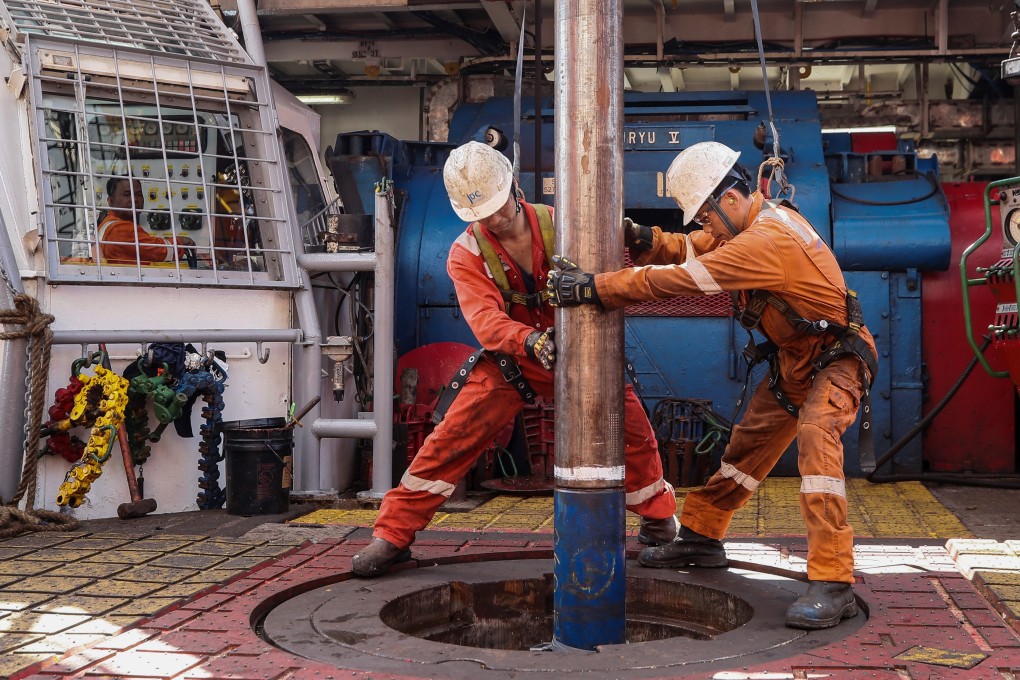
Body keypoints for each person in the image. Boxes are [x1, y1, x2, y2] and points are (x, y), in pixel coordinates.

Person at [546, 141, 878, 631]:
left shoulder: (767, 241)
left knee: (816, 441)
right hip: (796, 361)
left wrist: (596, 288)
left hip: (837, 362)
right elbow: (689, 247)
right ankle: (701, 536)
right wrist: (643, 237)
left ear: (728, 200)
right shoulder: (747, 225)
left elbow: (680, 277)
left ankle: (833, 581)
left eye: (704, 216)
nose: (703, 226)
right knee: (746, 450)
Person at [351, 141, 679, 577]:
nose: (493, 218)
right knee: (452, 438)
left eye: (497, 205)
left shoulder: (566, 224)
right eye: (480, 213)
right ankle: (391, 536)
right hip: (515, 363)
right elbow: (485, 320)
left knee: (634, 435)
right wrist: (528, 341)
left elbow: (613, 278)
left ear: (513, 186)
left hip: (585, 354)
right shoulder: (465, 254)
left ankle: (659, 522)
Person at [98, 177, 194, 265]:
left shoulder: (108, 223)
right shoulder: (120, 228)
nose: (135, 199)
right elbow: (159, 251)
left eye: (138, 194)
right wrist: (180, 242)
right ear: (110, 201)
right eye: (127, 194)